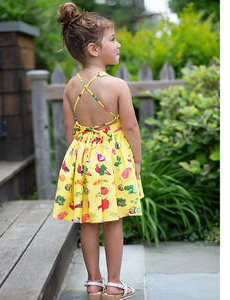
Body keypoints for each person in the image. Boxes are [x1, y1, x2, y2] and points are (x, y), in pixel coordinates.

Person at [52, 3, 144, 299]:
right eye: (113, 39)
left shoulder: (70, 86)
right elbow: (130, 128)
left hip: (81, 158)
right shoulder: (117, 86)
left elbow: (69, 129)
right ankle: (115, 285)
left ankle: (93, 282)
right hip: (112, 160)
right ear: (94, 48)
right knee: (112, 220)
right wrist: (137, 161)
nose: (118, 44)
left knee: (87, 221)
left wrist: (80, 159)